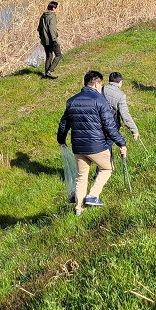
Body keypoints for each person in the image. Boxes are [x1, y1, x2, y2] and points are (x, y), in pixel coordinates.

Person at [57, 70, 127, 216]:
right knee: (107, 168)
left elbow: (63, 124)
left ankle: (78, 209)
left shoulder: (72, 101)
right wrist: (121, 143)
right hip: (96, 146)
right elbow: (110, 126)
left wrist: (61, 140)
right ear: (96, 84)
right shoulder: (100, 100)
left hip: (78, 146)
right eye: (101, 84)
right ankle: (93, 195)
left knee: (81, 176)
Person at [102, 72, 140, 153]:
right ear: (120, 82)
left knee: (105, 152)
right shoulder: (121, 95)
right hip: (111, 127)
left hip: (98, 126)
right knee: (107, 153)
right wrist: (134, 130)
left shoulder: (101, 89)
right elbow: (125, 116)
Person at [38, 1, 62, 79]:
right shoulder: (52, 16)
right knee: (58, 55)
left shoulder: (43, 16)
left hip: (44, 41)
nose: (57, 10)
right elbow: (51, 29)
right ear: (53, 8)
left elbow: (39, 28)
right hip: (52, 40)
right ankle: (50, 71)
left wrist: (42, 37)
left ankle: (46, 74)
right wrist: (54, 39)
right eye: (57, 8)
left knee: (49, 56)